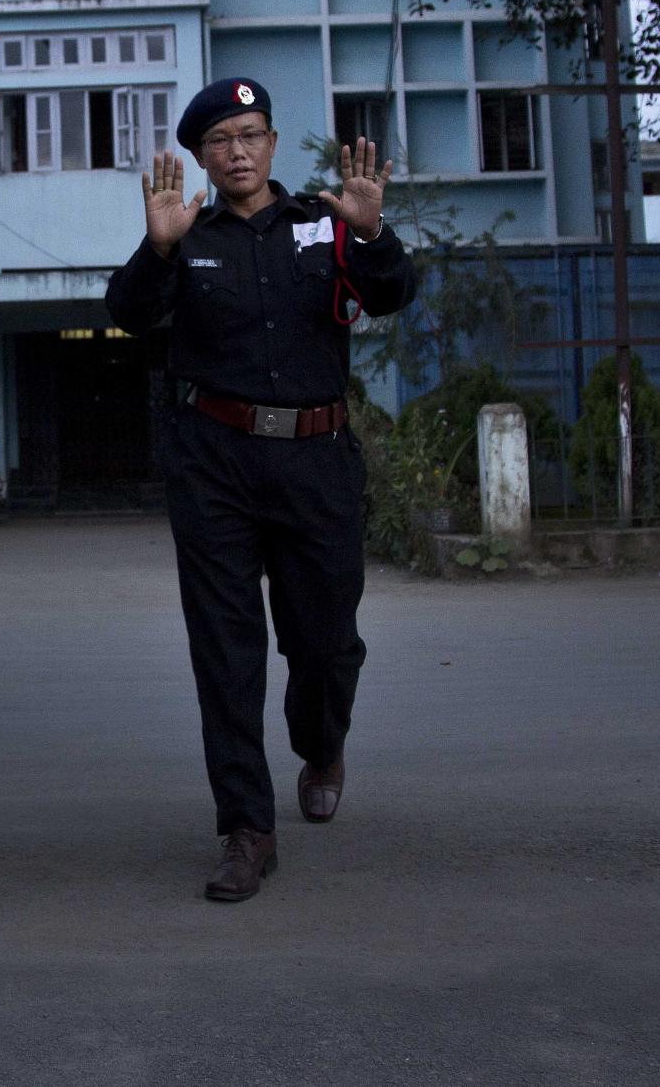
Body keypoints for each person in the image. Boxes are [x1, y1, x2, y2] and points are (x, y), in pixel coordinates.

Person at [104, 78, 413, 902]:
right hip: (216, 466)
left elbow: (393, 293)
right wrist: (158, 248)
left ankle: (321, 741)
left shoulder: (328, 222)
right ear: (202, 157)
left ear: (273, 143)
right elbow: (130, 315)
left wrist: (373, 229)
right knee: (227, 651)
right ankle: (247, 828)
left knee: (324, 640)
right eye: (220, 141)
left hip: (316, 462)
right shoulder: (188, 234)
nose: (236, 151)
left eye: (250, 134)